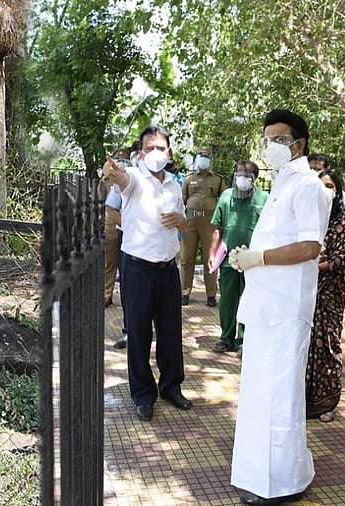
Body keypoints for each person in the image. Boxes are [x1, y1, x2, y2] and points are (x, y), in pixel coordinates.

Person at [229, 109, 331, 505]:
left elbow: (310, 246)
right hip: (265, 308)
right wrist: (249, 257)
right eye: (267, 138)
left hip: (287, 310)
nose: (271, 146)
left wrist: (260, 258)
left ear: (299, 145)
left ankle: (283, 485)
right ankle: (262, 475)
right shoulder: (280, 186)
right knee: (258, 394)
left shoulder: (308, 186)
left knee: (280, 397)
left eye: (279, 139)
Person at [102, 125, 191, 422]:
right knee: (138, 333)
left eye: (161, 148)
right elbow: (122, 180)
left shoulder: (174, 185)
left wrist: (180, 220)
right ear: (140, 153)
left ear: (169, 152)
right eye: (150, 148)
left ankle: (171, 387)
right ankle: (143, 394)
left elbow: (184, 223)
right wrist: (114, 173)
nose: (156, 153)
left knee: (170, 332)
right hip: (138, 267)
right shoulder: (135, 179)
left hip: (168, 269)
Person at [305, 170, 345, 422]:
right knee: (308, 344)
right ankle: (307, 400)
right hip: (307, 290)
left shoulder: (341, 223)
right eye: (321, 186)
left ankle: (328, 402)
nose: (325, 191)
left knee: (327, 344)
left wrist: (314, 264)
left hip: (330, 294)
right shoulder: (311, 218)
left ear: (337, 191)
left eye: (330, 186)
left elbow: (341, 259)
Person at [208, 161, 268, 357]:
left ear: (254, 177)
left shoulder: (263, 198)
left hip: (253, 261)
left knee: (249, 300)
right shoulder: (226, 196)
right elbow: (217, 227)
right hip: (228, 260)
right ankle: (226, 338)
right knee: (227, 300)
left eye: (247, 174)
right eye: (239, 173)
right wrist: (211, 252)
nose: (242, 177)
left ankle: (244, 341)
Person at [180, 146, 225, 306]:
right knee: (186, 258)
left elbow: (223, 200)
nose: (203, 158)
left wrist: (221, 223)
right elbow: (182, 200)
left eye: (206, 156)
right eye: (201, 155)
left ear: (211, 159)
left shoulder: (218, 179)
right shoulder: (188, 178)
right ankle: (184, 292)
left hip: (210, 222)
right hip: (190, 220)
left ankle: (211, 294)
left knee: (210, 259)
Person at [100, 148, 131, 307]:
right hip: (110, 224)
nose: (121, 162)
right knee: (109, 261)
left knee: (127, 262)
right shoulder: (105, 181)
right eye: (119, 159)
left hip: (130, 224)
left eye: (124, 159)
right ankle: (107, 293)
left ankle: (128, 295)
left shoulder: (132, 176)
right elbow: (100, 203)